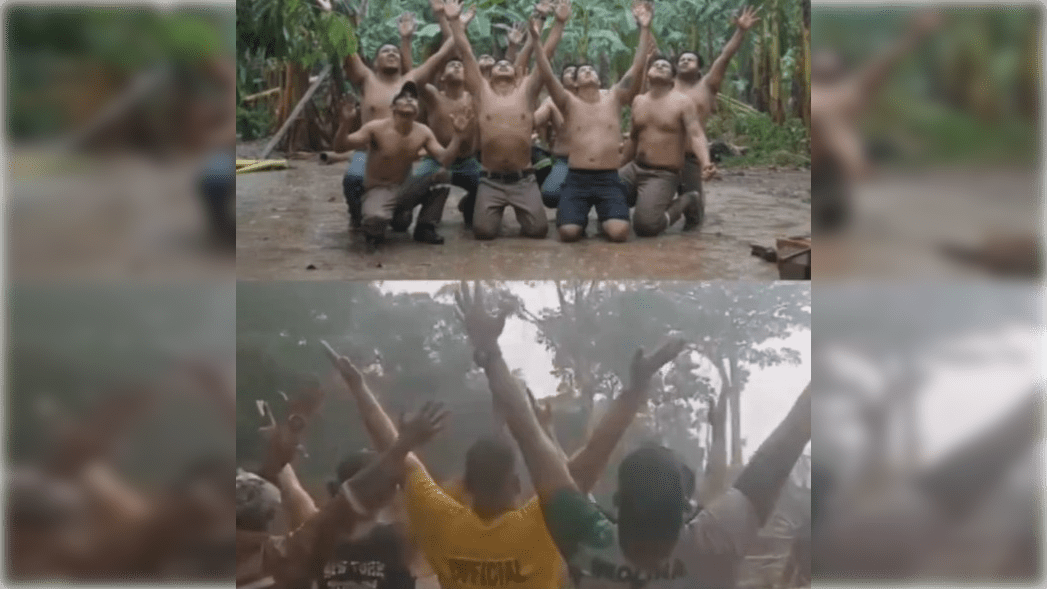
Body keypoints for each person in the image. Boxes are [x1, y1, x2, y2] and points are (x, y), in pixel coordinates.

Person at [454, 282, 812, 589]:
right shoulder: (714, 542)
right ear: (688, 509)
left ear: (618, 504)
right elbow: (786, 444)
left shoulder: (583, 538)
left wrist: (490, 352)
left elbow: (528, 432)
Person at [321, 328, 684, 589]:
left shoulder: (441, 521)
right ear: (515, 483)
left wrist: (359, 388)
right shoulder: (543, 521)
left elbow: (395, 451)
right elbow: (592, 456)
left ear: (467, 484)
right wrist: (636, 388)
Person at [444, 0, 568, 240]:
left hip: (524, 179)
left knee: (538, 230)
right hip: (491, 180)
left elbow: (546, 53)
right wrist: (453, 22)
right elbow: (466, 52)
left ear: (516, 74)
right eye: (498, 64)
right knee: (483, 232)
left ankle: (483, 204)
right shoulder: (482, 91)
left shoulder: (527, 91)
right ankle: (475, 203)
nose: (503, 65)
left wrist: (558, 23)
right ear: (489, 76)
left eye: (507, 64)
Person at [811, 10, 942, 234]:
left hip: (829, 177)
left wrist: (914, 36)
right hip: (819, 171)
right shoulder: (819, 99)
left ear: (841, 72)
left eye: (830, 67)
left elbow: (882, 66)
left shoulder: (846, 94)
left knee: (833, 238)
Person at [531, 1, 653, 242]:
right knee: (568, 233)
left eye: (591, 70)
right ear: (574, 83)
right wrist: (545, 33)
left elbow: (638, 66)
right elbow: (544, 70)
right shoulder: (567, 102)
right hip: (577, 178)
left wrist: (644, 27)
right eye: (582, 71)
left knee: (618, 233)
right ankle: (578, 217)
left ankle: (604, 217)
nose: (588, 71)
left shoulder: (615, 97)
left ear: (599, 79)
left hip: (608, 177)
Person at [337, 13, 461, 231]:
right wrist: (332, 15)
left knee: (404, 210)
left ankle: (401, 214)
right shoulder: (367, 79)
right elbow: (347, 49)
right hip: (367, 150)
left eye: (395, 51)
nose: (392, 54)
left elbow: (443, 54)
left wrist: (457, 23)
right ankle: (357, 216)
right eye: (385, 51)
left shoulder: (410, 80)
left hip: (402, 152)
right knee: (353, 178)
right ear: (376, 62)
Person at [335, 81, 473, 251]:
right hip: (380, 189)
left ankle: (425, 227)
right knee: (376, 223)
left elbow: (445, 158)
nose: (409, 100)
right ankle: (380, 219)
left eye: (413, 99)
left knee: (442, 175)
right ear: (392, 107)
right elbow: (341, 147)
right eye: (403, 98)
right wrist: (345, 124)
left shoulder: (423, 132)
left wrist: (458, 136)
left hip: (405, 189)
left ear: (418, 109)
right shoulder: (376, 128)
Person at [619, 56, 715, 237]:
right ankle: (640, 202)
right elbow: (633, 138)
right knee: (606, 193)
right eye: (656, 64)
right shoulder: (639, 101)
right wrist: (619, 167)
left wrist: (705, 163)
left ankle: (689, 198)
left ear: (672, 78)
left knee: (646, 226)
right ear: (648, 75)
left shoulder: (682, 102)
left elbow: (696, 134)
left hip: (662, 173)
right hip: (635, 168)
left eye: (665, 65)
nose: (660, 65)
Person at [415, 59, 483, 229]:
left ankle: (468, 207)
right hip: (436, 159)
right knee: (413, 184)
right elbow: (416, 79)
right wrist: (407, 40)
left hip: (466, 161)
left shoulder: (475, 97)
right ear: (442, 78)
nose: (457, 66)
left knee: (488, 186)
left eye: (460, 65)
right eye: (450, 65)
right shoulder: (433, 96)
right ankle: (419, 220)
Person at [533, 64, 576, 206]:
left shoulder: (598, 98)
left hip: (596, 162)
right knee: (550, 195)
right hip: (566, 160)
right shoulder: (551, 102)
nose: (573, 73)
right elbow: (535, 120)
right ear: (561, 80)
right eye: (569, 70)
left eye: (577, 71)